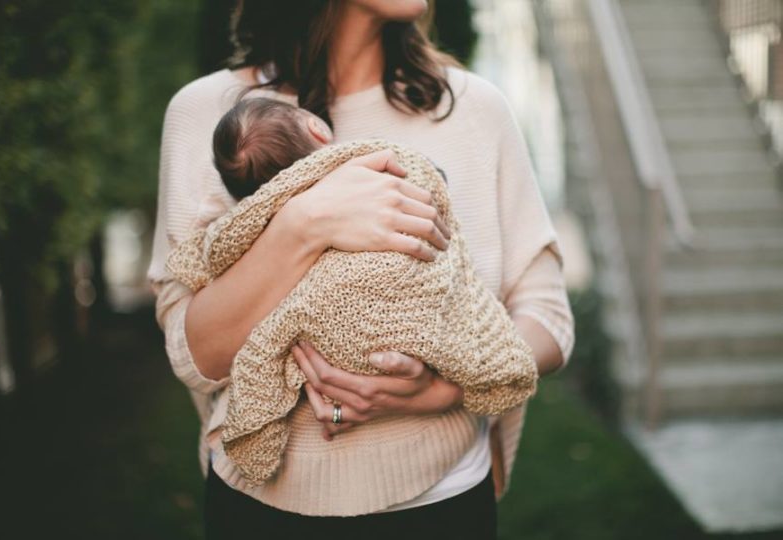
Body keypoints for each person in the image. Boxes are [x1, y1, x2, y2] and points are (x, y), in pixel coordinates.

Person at [147, 0, 575, 538]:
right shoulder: (210, 116)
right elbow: (195, 355)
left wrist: (442, 390)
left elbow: (549, 317)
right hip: (260, 511)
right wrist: (304, 223)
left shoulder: (474, 109)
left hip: (443, 503)